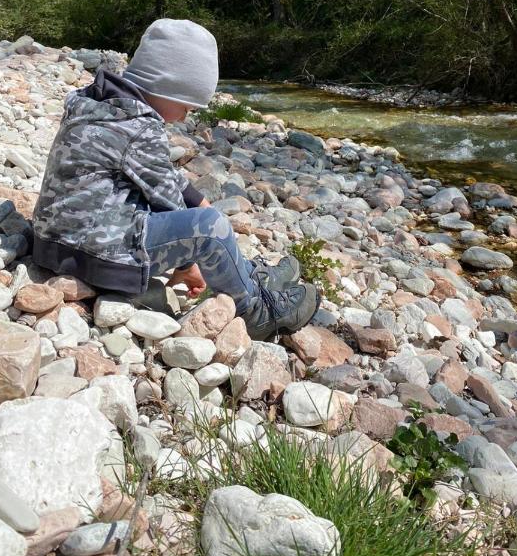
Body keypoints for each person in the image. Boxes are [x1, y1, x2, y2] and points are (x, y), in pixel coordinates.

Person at [32, 18, 320, 340]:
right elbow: (169, 205)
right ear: (164, 87)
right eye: (187, 105)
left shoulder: (97, 104)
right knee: (211, 228)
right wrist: (187, 264)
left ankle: (250, 274)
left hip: (55, 240)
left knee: (198, 211)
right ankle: (258, 310)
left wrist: (196, 197)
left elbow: (157, 174)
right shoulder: (141, 128)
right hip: (96, 254)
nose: (187, 115)